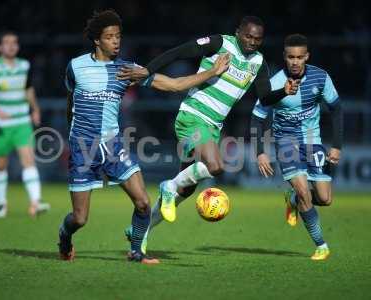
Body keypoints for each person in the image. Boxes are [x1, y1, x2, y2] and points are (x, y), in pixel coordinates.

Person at [58, 9, 230, 264]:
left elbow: (173, 85)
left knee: (142, 203)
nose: (116, 41)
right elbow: (71, 101)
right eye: (109, 37)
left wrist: (211, 72)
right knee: (80, 218)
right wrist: (73, 135)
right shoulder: (76, 67)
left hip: (113, 145)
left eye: (118, 36)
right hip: (84, 148)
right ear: (97, 40)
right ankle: (64, 234)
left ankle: (136, 252)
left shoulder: (128, 70)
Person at [118, 16, 299, 229]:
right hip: (192, 117)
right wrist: (148, 70)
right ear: (238, 32)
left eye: (257, 39)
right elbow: (180, 51)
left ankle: (141, 231)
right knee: (215, 166)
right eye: (248, 36)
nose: (252, 41)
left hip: (212, 127)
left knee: (185, 189)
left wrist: (283, 92)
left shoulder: (259, 63)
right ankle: (168, 185)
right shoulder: (220, 43)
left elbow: (265, 98)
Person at [251, 34, 343, 260]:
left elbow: (337, 109)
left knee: (324, 199)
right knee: (304, 193)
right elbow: (256, 118)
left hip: (313, 140)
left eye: (299, 57)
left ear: (306, 57)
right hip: (286, 142)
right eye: (290, 57)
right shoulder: (273, 84)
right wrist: (260, 152)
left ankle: (291, 200)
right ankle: (321, 245)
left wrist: (337, 145)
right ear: (285, 57)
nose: (294, 61)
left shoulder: (320, 78)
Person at [0, 31, 50, 218]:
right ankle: (1, 203)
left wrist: (35, 108)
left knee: (28, 160)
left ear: (18, 46)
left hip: (21, 122)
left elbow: (28, 88)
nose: (11, 46)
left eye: (14, 43)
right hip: (0, 124)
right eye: (7, 43)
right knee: (1, 164)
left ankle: (36, 202)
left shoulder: (24, 66)